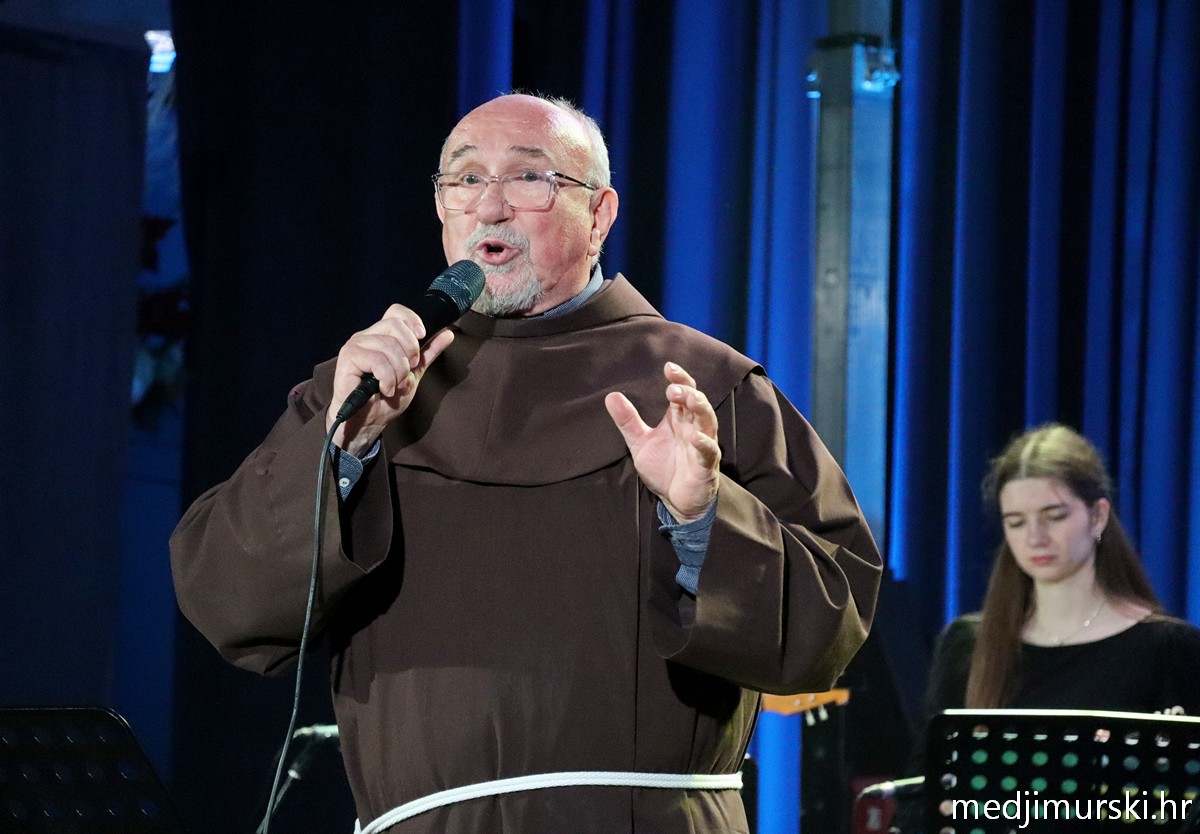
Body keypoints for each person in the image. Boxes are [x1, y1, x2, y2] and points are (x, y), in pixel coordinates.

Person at [169, 93, 882, 834]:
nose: (490, 207)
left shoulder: (702, 388)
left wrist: (703, 517)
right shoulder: (369, 388)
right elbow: (226, 599)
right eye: (465, 180)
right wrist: (343, 452)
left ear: (600, 214)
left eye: (528, 178)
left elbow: (828, 629)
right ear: (441, 209)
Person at [922, 423, 1200, 718]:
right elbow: (932, 747)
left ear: (1098, 516)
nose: (1035, 538)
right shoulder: (967, 645)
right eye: (1016, 523)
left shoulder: (1167, 649)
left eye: (1055, 517)